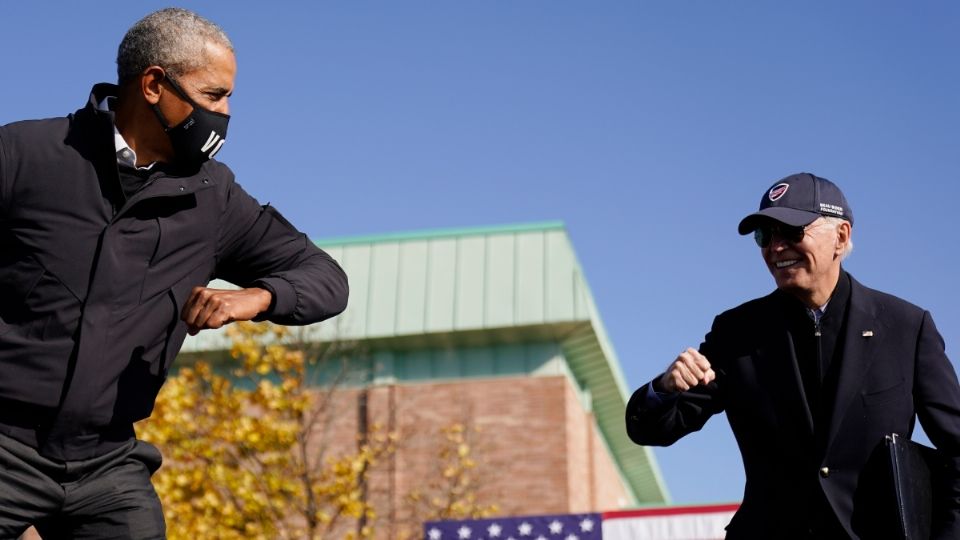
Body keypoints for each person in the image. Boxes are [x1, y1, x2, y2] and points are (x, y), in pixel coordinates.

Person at [0, 8, 348, 539]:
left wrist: (256, 298)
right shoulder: (23, 155)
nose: (225, 112)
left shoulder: (215, 197)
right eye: (213, 96)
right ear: (155, 84)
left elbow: (324, 276)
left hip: (107, 463)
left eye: (228, 97)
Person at [625, 173, 960, 539]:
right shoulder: (737, 332)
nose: (776, 247)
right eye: (764, 236)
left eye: (792, 231)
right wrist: (663, 388)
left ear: (841, 236)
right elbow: (652, 429)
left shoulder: (907, 327)